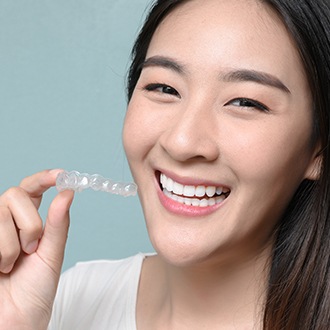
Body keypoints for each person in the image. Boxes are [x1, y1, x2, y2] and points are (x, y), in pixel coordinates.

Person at [1, 0, 329, 329]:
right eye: (164, 88)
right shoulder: (72, 297)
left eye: (246, 102)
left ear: (318, 150)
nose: (182, 142)